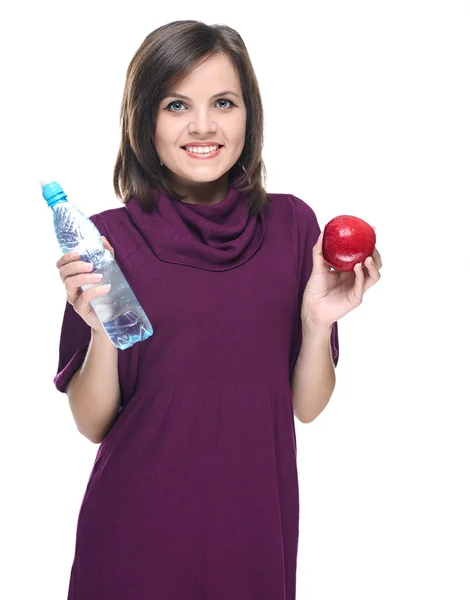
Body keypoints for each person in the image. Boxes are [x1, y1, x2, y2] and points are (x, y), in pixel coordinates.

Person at [54, 19, 382, 600]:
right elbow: (92, 423)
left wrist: (315, 326)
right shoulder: (105, 241)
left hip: (254, 535)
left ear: (248, 115)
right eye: (176, 104)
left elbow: (306, 408)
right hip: (131, 540)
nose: (202, 126)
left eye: (223, 102)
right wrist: (103, 329)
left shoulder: (293, 227)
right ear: (144, 120)